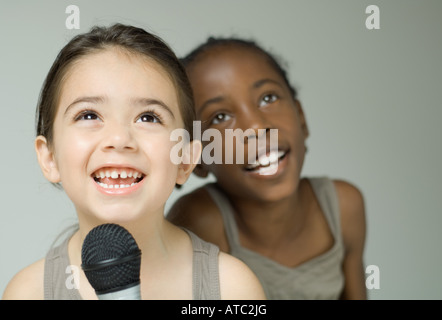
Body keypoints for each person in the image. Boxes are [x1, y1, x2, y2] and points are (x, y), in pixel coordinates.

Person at [2, 25, 265, 300]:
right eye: (89, 115)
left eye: (148, 117)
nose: (118, 138)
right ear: (50, 158)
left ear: (186, 160)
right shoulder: (28, 293)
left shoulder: (231, 289)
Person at [167, 37, 367, 299]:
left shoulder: (343, 206)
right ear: (197, 158)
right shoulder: (200, 222)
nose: (256, 127)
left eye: (268, 98)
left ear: (301, 117)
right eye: (220, 117)